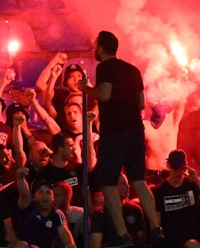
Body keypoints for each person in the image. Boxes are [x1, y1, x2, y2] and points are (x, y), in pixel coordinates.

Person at [81, 30, 161, 248]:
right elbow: (141, 104)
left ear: (102, 48)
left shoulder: (105, 67)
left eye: (96, 45)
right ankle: (155, 227)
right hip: (136, 131)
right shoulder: (133, 70)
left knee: (107, 184)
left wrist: (85, 89)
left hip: (114, 133)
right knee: (138, 180)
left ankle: (122, 233)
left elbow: (105, 94)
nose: (94, 49)